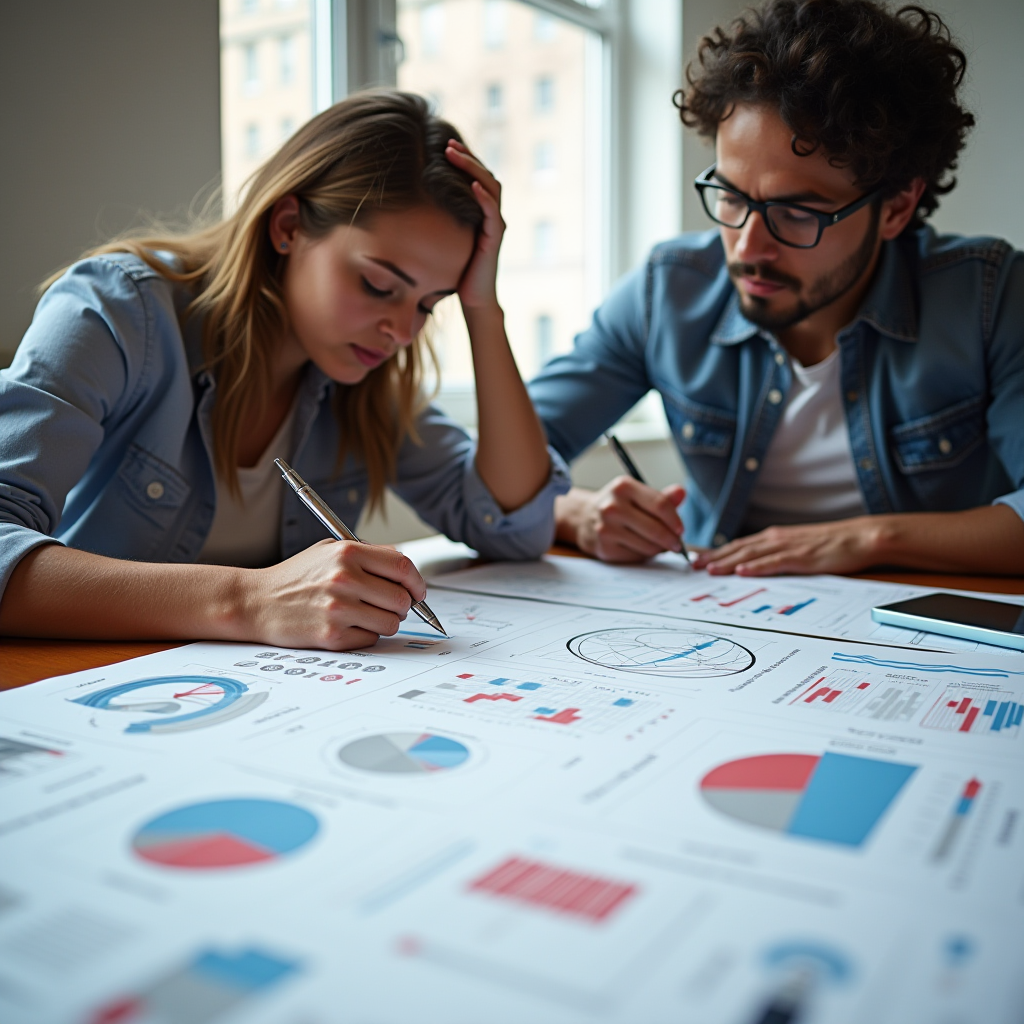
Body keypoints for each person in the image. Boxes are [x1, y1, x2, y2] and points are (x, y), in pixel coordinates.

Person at [0, 91, 568, 650]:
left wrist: (482, 309)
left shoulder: (366, 380)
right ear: (289, 226)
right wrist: (249, 601)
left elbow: (515, 529)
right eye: (378, 284)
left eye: (429, 303)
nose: (402, 331)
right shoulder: (117, 312)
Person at [529, 0, 1024, 577]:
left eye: (796, 212)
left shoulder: (992, 298)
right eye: (733, 197)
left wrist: (869, 540)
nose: (748, 247)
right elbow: (496, 463)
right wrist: (582, 512)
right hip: (731, 618)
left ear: (896, 207)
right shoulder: (668, 290)